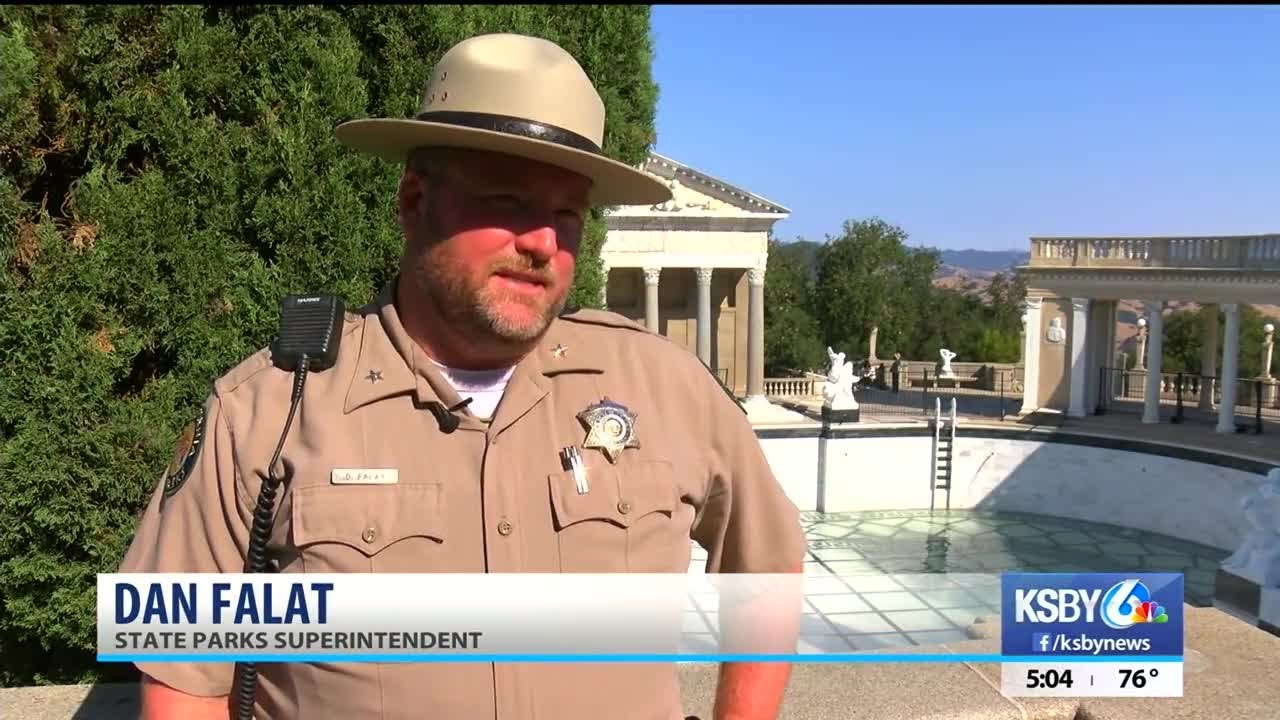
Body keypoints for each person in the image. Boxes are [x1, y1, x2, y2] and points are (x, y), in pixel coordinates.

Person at [120, 32, 806, 720]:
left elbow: (769, 565)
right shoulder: (267, 410)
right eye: (507, 202)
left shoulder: (665, 386)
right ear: (414, 199)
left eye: (567, 214)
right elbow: (183, 675)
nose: (542, 243)